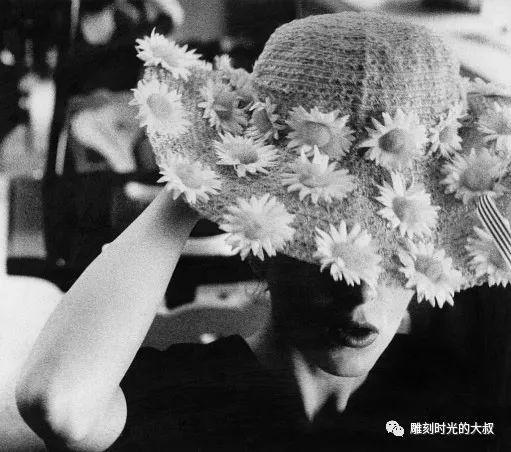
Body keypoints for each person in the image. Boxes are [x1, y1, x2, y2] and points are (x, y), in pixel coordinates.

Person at [16, 12, 511, 451]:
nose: (360, 290)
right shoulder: (188, 400)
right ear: (259, 249)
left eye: (393, 248)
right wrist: (199, 178)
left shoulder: (455, 408)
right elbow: (59, 407)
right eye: (326, 250)